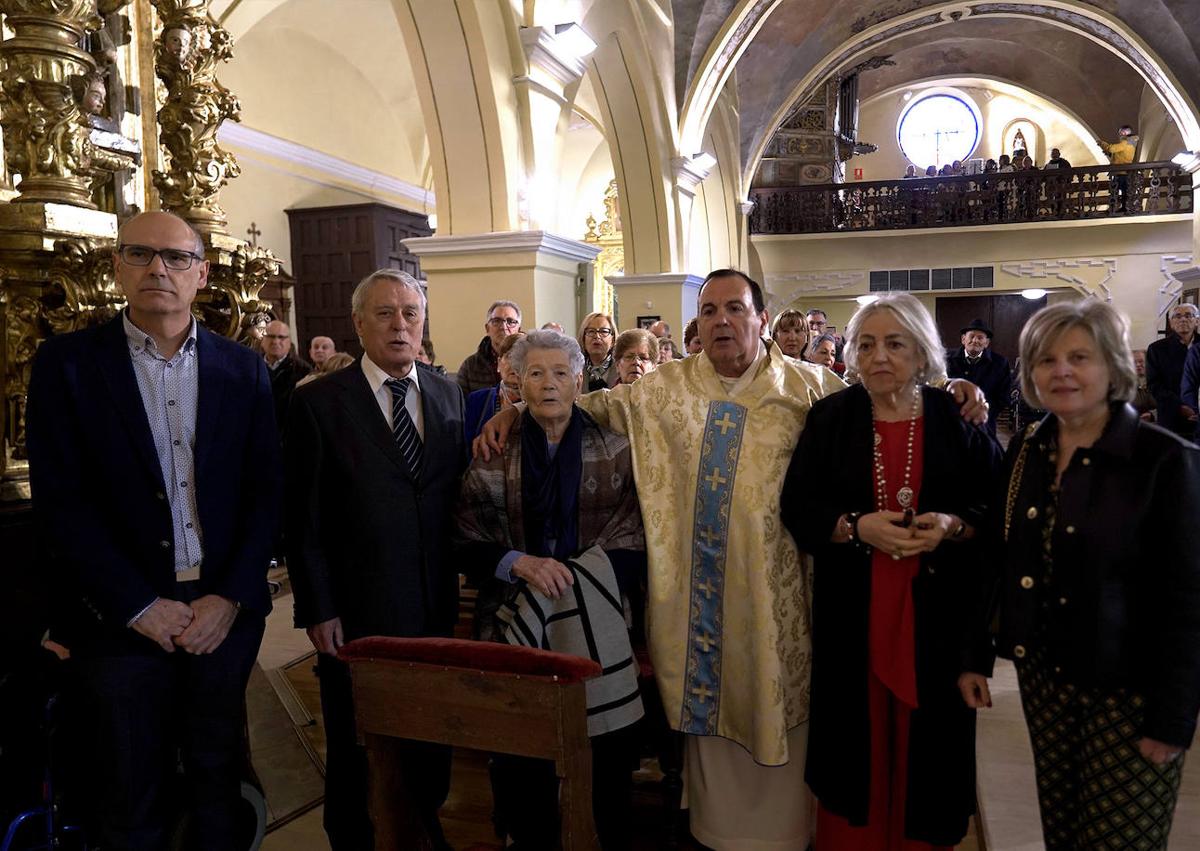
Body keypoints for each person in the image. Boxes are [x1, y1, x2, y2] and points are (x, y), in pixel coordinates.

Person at [477, 269, 990, 850]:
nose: (723, 320)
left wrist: (955, 390)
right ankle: (713, 831)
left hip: (784, 601)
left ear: (761, 319)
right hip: (696, 605)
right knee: (713, 737)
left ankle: (795, 831)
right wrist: (514, 412)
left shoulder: (810, 388)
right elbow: (580, 405)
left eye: (736, 308)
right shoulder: (661, 389)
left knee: (788, 714)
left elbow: (891, 400)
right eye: (711, 309)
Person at [25, 211, 279, 849]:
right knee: (127, 797)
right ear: (117, 267)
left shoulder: (242, 369)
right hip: (117, 620)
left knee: (217, 782)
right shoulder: (69, 365)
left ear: (202, 273)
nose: (158, 269)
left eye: (174, 258)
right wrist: (136, 604)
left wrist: (232, 597)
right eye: (140, 254)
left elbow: (265, 492)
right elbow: (62, 502)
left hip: (219, 613)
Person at [960, 299, 1200, 851]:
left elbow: (1188, 600)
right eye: (1045, 360)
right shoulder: (1026, 448)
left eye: (1078, 357)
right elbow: (997, 558)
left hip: (1130, 694)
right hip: (1045, 681)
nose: (1060, 371)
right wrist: (974, 655)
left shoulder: (1164, 459)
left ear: (1113, 366)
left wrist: (1173, 718)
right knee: (1064, 833)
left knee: (1121, 840)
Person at [783, 292, 1000, 849]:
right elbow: (798, 509)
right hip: (854, 611)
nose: (879, 356)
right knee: (854, 755)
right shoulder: (831, 417)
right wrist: (856, 527)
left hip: (937, 616)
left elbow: (994, 510)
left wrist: (953, 524)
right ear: (852, 353)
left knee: (928, 762)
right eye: (867, 343)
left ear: (923, 351)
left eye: (895, 343)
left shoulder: (955, 415)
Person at [285, 268, 466, 851]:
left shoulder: (445, 392)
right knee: (356, 745)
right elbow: (303, 516)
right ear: (358, 323)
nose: (400, 325)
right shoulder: (317, 403)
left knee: (430, 737)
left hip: (433, 603)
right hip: (355, 610)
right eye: (385, 313)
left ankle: (421, 830)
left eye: (411, 314)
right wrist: (318, 606)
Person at [456, 330, 647, 850]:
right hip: (512, 618)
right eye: (535, 373)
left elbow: (631, 537)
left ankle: (604, 832)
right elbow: (465, 537)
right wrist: (519, 566)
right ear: (517, 379)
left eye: (561, 372)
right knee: (522, 749)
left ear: (579, 380)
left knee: (604, 754)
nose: (549, 384)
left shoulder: (613, 449)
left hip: (596, 622)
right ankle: (529, 835)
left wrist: (567, 585)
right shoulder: (492, 451)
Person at [946, 318, 1011, 435]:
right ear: (963, 339)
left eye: (980, 338)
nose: (975, 340)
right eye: (971, 336)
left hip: (984, 424)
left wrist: (984, 411)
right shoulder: (945, 359)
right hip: (951, 424)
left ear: (986, 343)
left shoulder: (1000, 363)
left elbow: (1003, 397)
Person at [1147, 302, 1198, 438]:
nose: (1183, 319)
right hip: (1172, 419)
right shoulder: (1157, 349)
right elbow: (1154, 385)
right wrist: (1181, 406)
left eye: (1188, 315)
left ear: (1197, 321)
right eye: (1178, 316)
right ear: (1171, 322)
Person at [464, 331, 524, 444]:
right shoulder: (477, 400)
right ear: (498, 364)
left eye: (521, 358)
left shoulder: (538, 402)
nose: (515, 364)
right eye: (510, 356)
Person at [457, 300, 522, 395]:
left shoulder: (528, 362)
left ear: (519, 329)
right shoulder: (470, 366)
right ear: (487, 329)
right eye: (496, 321)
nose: (503, 327)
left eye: (510, 322)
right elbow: (460, 404)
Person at [263, 319, 310, 437]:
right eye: (271, 336)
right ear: (263, 340)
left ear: (289, 342)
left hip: (289, 432)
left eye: (281, 337)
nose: (275, 341)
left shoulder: (302, 370)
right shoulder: (252, 367)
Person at [579, 311, 619, 391]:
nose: (597, 336)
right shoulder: (575, 369)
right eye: (591, 331)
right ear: (583, 339)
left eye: (603, 331)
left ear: (613, 340)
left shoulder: (621, 368)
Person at [1132, 348, 1155, 420]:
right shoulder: (1125, 385)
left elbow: (1166, 405)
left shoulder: (1158, 381)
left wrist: (1152, 414)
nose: (1138, 365)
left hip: (1157, 424)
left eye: (1141, 361)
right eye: (1134, 362)